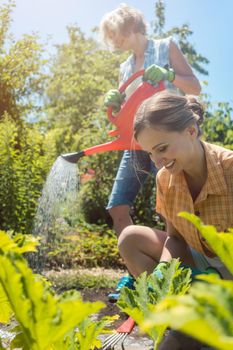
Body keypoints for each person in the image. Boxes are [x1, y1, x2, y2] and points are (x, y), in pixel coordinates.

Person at [99, 3, 201, 301]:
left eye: (114, 34)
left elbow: (194, 86)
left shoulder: (165, 46)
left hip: (169, 139)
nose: (113, 42)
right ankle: (135, 277)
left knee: (173, 206)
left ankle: (179, 274)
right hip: (136, 142)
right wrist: (115, 101)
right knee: (117, 207)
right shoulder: (125, 67)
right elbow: (126, 112)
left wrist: (169, 72)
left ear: (129, 26)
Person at [119, 91, 233, 349]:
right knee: (130, 238)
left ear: (191, 131)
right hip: (203, 264)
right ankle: (184, 314)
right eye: (150, 153)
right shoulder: (165, 179)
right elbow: (175, 237)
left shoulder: (230, 170)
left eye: (162, 148)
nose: (157, 161)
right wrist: (162, 272)